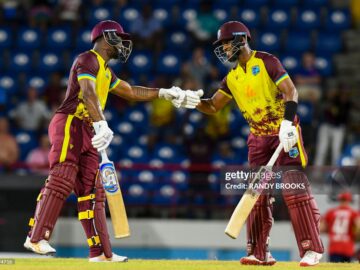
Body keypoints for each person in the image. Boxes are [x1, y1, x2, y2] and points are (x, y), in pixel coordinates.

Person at [23, 20, 202, 262]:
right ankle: (36, 237)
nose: (123, 44)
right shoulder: (87, 59)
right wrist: (101, 124)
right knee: (63, 176)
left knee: (92, 191)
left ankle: (100, 253)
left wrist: (164, 93)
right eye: (119, 38)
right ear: (105, 38)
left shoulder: (106, 70)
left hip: (88, 129)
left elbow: (130, 91)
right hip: (70, 122)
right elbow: (87, 93)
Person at [190, 21, 324, 266]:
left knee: (294, 189)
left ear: (242, 39)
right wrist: (191, 101)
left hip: (285, 134)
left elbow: (291, 92)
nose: (224, 49)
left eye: (227, 43)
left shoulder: (267, 62)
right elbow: (213, 106)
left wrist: (287, 124)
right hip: (258, 139)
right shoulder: (231, 77)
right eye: (221, 45)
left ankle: (311, 249)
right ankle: (259, 252)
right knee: (258, 195)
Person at [320, 192, 360, 262]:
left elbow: (321, 228)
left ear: (339, 200)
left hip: (334, 247)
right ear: (349, 200)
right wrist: (356, 237)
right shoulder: (354, 213)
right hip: (348, 247)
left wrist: (330, 231)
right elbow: (358, 226)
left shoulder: (331, 212)